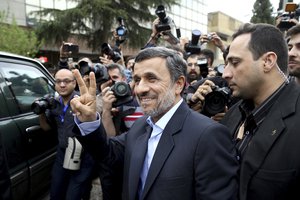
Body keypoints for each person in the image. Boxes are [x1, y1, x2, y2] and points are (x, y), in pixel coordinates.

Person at [70, 46, 238, 200]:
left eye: (151, 79)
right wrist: (89, 121)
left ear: (178, 84)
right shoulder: (140, 126)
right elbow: (108, 154)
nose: (140, 89)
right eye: (137, 79)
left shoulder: (209, 136)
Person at [220, 23, 300, 200]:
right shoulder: (232, 114)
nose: (225, 73)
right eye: (226, 63)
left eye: (235, 62)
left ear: (268, 61)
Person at [38, 69, 94, 200]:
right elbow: (46, 128)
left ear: (74, 83)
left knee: (75, 194)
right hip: (63, 153)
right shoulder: (53, 104)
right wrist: (41, 112)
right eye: (58, 81)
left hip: (84, 155)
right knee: (56, 193)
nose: (62, 85)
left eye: (66, 81)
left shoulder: (83, 101)